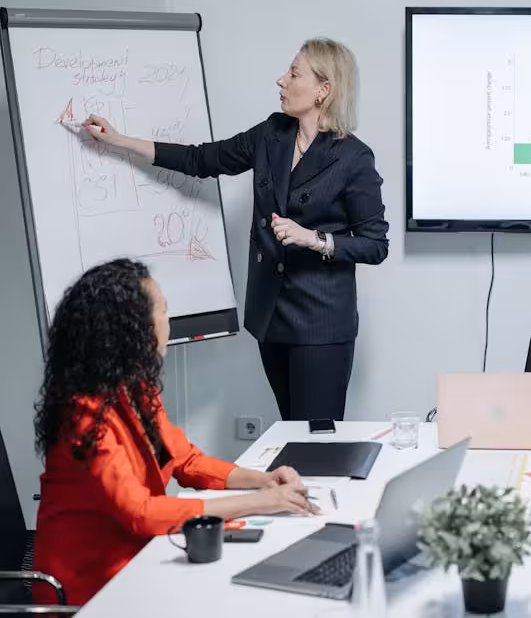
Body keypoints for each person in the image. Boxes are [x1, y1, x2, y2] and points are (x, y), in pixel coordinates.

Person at [81, 38, 389, 422]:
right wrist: (117, 140)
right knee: (291, 434)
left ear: (323, 90)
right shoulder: (273, 133)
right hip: (271, 317)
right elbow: (201, 159)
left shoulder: (353, 157)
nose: (281, 80)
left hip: (320, 325)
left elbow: (376, 244)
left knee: (318, 444)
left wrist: (314, 239)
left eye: (293, 73)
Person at [32, 259, 318, 606]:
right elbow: (139, 512)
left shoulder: (135, 389)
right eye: (163, 312)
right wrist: (260, 503)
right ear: (132, 329)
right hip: (90, 590)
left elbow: (186, 461)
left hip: (139, 562)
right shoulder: (83, 412)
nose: (169, 322)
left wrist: (264, 480)